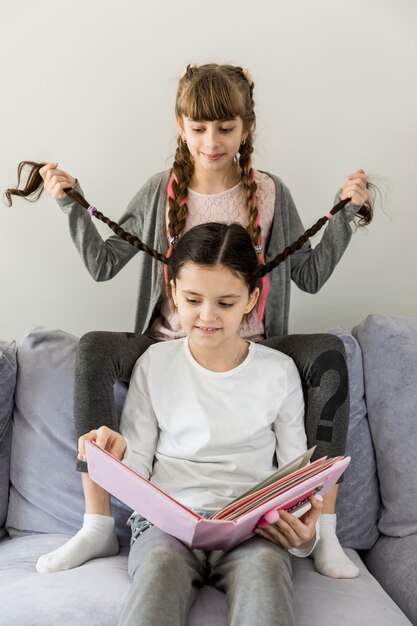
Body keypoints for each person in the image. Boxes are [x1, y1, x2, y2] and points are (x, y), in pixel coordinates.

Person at [7, 63, 371, 578]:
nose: (212, 141)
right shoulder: (163, 189)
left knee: (330, 350)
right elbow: (103, 262)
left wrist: (347, 216)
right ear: (181, 125)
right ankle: (94, 524)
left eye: (225, 128)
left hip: (252, 342)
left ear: (246, 128)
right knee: (93, 345)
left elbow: (308, 275)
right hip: (166, 342)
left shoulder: (268, 194)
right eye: (198, 128)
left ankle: (325, 530)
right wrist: (71, 204)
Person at [80, 222, 324, 626]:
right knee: (157, 574)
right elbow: (138, 467)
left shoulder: (278, 372)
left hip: (253, 531)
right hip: (168, 528)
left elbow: (294, 474)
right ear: (173, 290)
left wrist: (305, 536)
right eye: (192, 299)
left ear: (251, 299)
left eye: (225, 303)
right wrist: (115, 457)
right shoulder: (154, 364)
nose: (206, 316)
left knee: (265, 582)